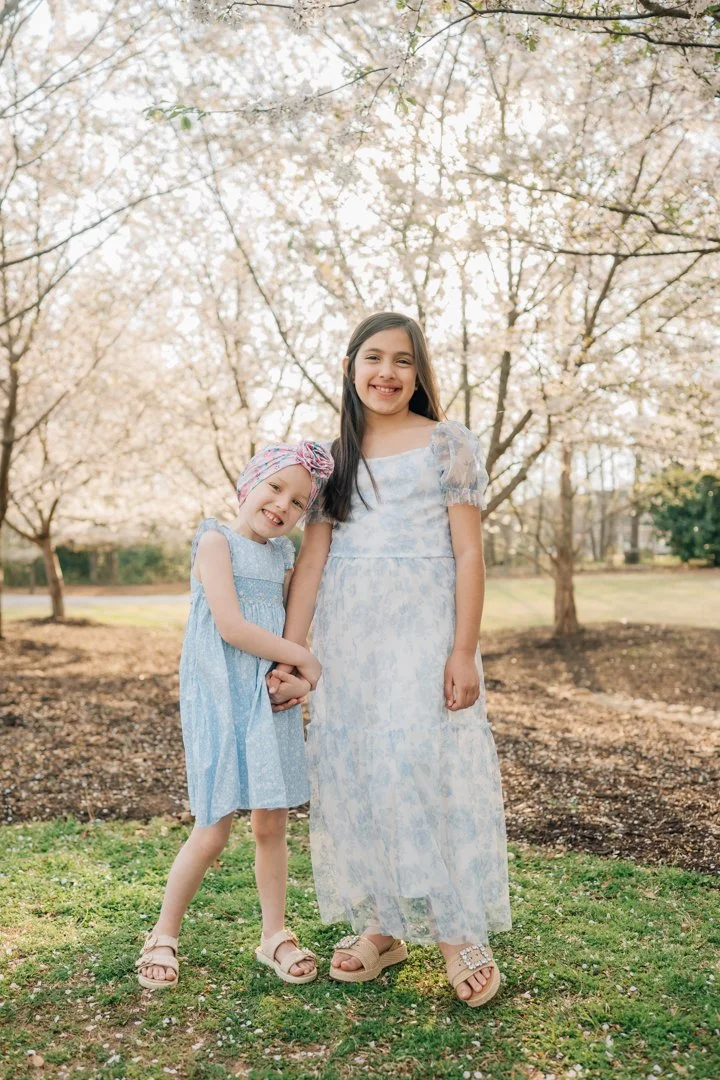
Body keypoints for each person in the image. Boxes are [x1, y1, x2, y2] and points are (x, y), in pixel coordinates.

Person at [268, 313, 511, 1007]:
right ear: (350, 366)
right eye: (373, 358)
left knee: (420, 768)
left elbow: (469, 551)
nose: (387, 372)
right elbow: (312, 560)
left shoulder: (447, 445)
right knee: (364, 772)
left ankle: (459, 932)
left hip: (424, 634)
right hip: (351, 644)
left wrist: (463, 648)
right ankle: (382, 925)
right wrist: (292, 654)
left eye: (403, 361)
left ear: (419, 373)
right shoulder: (328, 459)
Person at [136, 440, 333, 990]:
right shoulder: (215, 541)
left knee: (271, 823)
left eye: (298, 503)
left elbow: (292, 617)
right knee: (213, 829)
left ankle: (275, 935)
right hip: (223, 700)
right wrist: (307, 661)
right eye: (275, 488)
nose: (282, 506)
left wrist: (292, 669)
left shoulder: (284, 556)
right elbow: (232, 628)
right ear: (250, 483)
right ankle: (164, 934)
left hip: (264, 701)